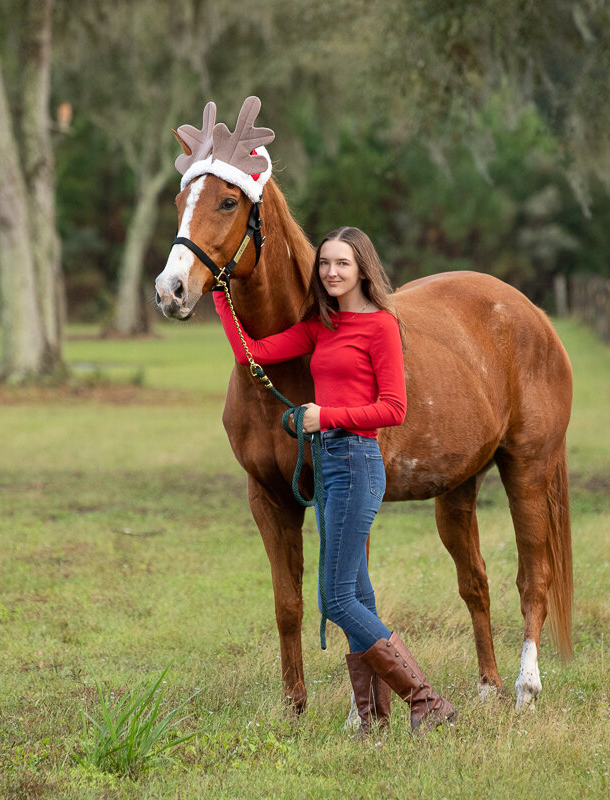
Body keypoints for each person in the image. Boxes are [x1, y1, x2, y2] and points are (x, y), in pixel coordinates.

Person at [211, 226, 456, 735]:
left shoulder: (382, 327)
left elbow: (394, 408)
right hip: (328, 465)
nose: (331, 272)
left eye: (342, 263)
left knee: (337, 599)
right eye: (324, 264)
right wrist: (220, 292)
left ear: (363, 268)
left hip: (358, 460)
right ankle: (372, 718)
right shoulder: (320, 326)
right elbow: (250, 354)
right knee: (357, 596)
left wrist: (327, 417)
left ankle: (427, 700)